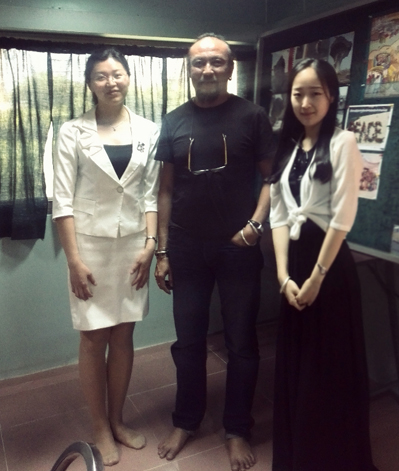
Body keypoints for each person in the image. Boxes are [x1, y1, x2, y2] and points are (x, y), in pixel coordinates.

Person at [154, 33, 274, 471]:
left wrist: (255, 226)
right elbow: (165, 190)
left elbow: (272, 179)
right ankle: (186, 420)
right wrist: (162, 250)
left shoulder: (252, 116)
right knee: (188, 341)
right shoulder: (173, 121)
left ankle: (237, 428)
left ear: (230, 68)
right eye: (199, 62)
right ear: (189, 69)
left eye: (216, 62)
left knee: (241, 341)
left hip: (236, 246)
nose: (207, 69)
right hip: (186, 246)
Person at [269, 58, 379, 470]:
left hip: (328, 270)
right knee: (297, 368)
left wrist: (316, 278)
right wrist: (283, 276)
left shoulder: (343, 142)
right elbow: (278, 215)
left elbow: (342, 218)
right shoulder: (288, 145)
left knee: (326, 371)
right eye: (298, 93)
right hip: (293, 269)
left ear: (331, 96)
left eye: (315, 93)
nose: (305, 102)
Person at [52, 48, 160, 466]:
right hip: (90, 249)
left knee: (124, 334)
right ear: (90, 84)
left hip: (133, 246)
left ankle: (117, 420)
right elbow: (62, 202)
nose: (110, 82)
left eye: (117, 74)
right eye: (101, 76)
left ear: (128, 77)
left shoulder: (149, 130)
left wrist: (150, 245)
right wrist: (73, 261)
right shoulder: (72, 132)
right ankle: (99, 426)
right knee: (94, 337)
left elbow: (150, 195)